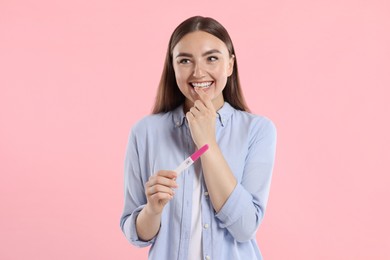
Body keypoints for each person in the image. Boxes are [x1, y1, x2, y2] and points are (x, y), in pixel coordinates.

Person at [120, 16, 277, 260]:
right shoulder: (145, 132)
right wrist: (152, 211)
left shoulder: (258, 130)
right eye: (185, 60)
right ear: (173, 67)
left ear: (230, 65)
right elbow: (136, 234)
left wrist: (208, 143)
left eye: (212, 58)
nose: (198, 72)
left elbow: (245, 227)